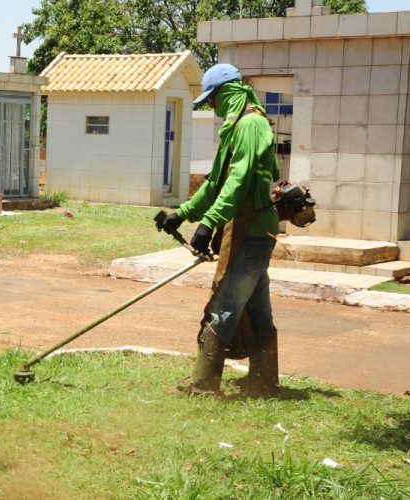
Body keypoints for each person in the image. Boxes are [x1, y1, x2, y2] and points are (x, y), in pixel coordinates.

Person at [156, 63, 280, 396]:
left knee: (224, 305)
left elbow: (239, 182)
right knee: (256, 308)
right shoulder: (236, 128)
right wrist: (181, 215)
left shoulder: (251, 125)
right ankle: (265, 381)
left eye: (214, 99)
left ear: (229, 91)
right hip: (245, 231)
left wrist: (209, 222)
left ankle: (203, 386)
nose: (212, 106)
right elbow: (215, 183)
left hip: (252, 232)